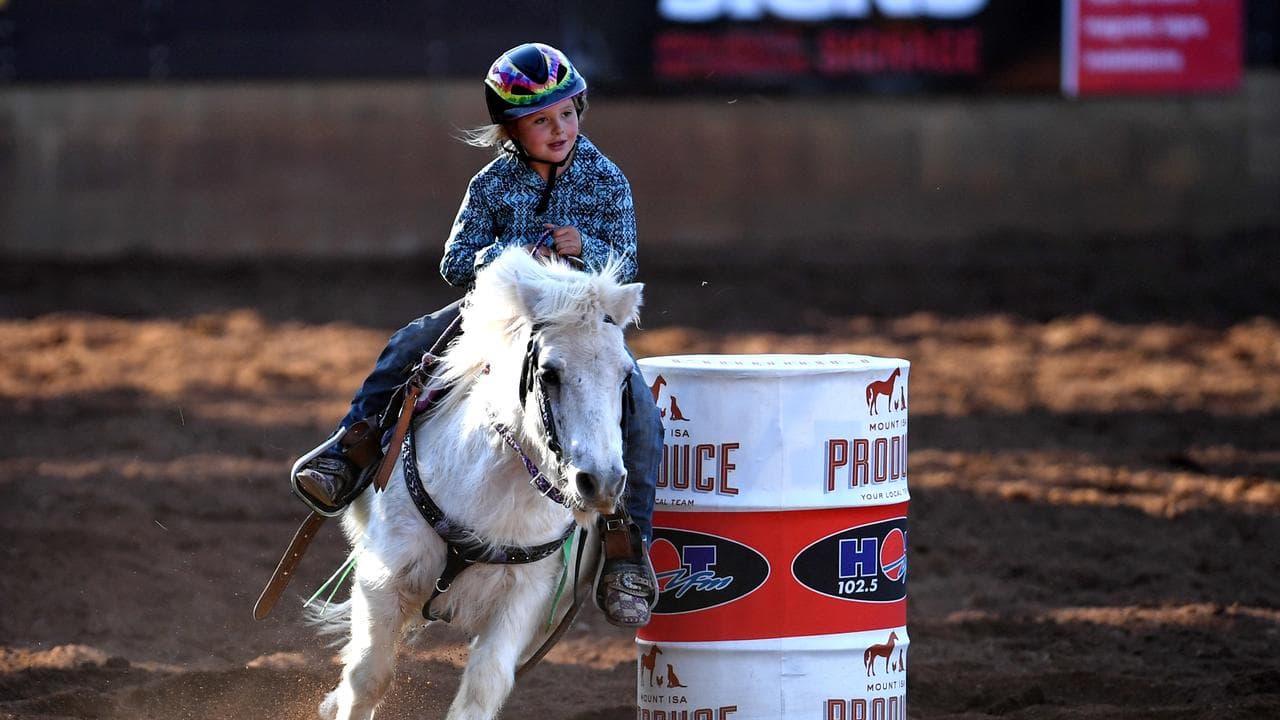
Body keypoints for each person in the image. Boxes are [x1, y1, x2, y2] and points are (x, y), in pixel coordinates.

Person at [292, 42, 661, 628]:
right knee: (410, 343)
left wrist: (584, 250)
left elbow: (627, 260)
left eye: (567, 113)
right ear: (510, 129)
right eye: (540, 120)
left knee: (639, 409)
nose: (558, 128)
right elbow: (456, 260)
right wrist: (513, 255)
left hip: (582, 327)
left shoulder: (607, 180)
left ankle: (626, 547)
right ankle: (352, 447)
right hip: (496, 316)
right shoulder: (491, 184)